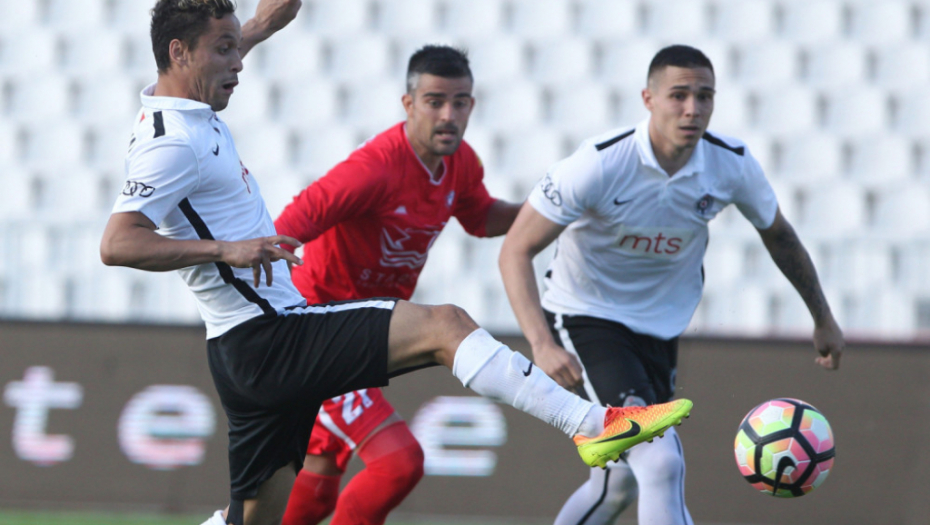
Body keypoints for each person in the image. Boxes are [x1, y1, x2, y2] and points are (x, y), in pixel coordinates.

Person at [99, 2, 692, 524]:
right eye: (224, 49)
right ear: (178, 53)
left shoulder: (189, 108)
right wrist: (227, 250)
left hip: (249, 350)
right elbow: (118, 243)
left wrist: (256, 27)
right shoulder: (171, 142)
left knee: (255, 521)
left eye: (236, 47)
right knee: (443, 330)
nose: (239, 62)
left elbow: (484, 217)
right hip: (274, 335)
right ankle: (593, 425)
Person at [499, 44, 845, 525]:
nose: (692, 109)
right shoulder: (599, 163)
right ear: (648, 99)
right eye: (679, 95)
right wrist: (541, 343)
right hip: (588, 318)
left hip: (659, 331)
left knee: (619, 481)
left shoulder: (730, 163)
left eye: (705, 96)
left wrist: (822, 317)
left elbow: (779, 236)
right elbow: (515, 249)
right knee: (660, 458)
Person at [268, 45, 521, 525]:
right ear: (409, 104)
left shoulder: (462, 163)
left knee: (317, 489)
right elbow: (294, 220)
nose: (448, 115)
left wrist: (549, 209)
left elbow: (482, 218)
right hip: (319, 332)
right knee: (398, 463)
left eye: (460, 102)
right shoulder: (376, 168)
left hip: (364, 333)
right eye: (434, 102)